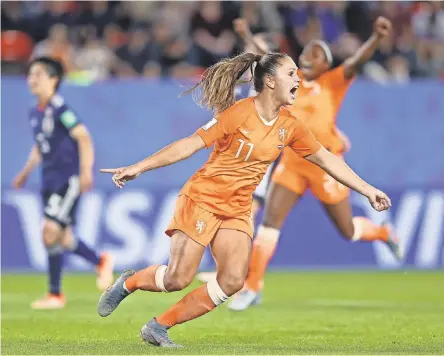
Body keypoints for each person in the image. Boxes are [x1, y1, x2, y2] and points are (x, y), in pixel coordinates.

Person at [97, 51, 391, 347]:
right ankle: (129, 283)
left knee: (233, 280)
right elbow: (189, 145)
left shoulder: (291, 125)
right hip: (203, 199)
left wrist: (368, 189)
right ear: (270, 81)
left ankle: (159, 326)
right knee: (177, 279)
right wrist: (139, 167)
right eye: (291, 74)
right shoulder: (239, 113)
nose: (298, 78)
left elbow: (327, 159)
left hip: (237, 209)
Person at [225, 17, 403, 312]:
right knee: (270, 224)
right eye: (306, 52)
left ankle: (383, 233)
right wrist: (246, 34)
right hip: (293, 165)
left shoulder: (333, 83)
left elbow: (357, 62)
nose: (308, 57)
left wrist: (375, 38)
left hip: (326, 167)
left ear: (326, 65)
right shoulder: (290, 84)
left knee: (348, 232)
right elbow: (267, 58)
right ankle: (252, 287)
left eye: (317, 54)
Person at [13, 57, 114, 309]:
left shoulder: (61, 109)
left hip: (66, 180)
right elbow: (40, 147)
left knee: (49, 231)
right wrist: (25, 172)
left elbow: (84, 138)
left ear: (53, 80)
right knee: (64, 237)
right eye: (30, 74)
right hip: (48, 179)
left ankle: (55, 295)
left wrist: (85, 172)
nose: (32, 79)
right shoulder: (36, 111)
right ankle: (100, 261)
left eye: (38, 74)